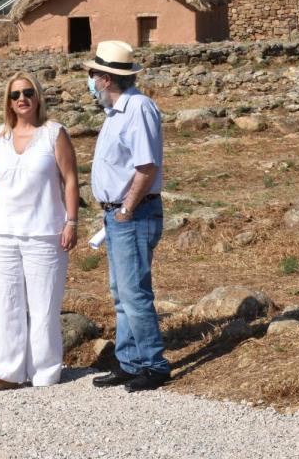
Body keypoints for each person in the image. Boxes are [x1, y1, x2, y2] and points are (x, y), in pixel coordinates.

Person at [0, 73, 79, 390]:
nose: (21, 98)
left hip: (44, 232)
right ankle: (5, 372)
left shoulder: (54, 134)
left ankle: (45, 371)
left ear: (38, 96)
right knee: (5, 303)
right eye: (15, 94)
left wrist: (71, 220)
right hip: (3, 232)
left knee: (43, 305)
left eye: (28, 92)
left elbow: (71, 178)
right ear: (8, 101)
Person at [85, 41, 171, 392]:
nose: (89, 82)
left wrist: (126, 209)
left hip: (132, 214)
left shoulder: (137, 109)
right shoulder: (117, 112)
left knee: (134, 293)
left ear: (105, 79)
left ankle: (153, 363)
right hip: (119, 215)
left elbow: (146, 165)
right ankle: (129, 361)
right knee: (122, 292)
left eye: (92, 75)